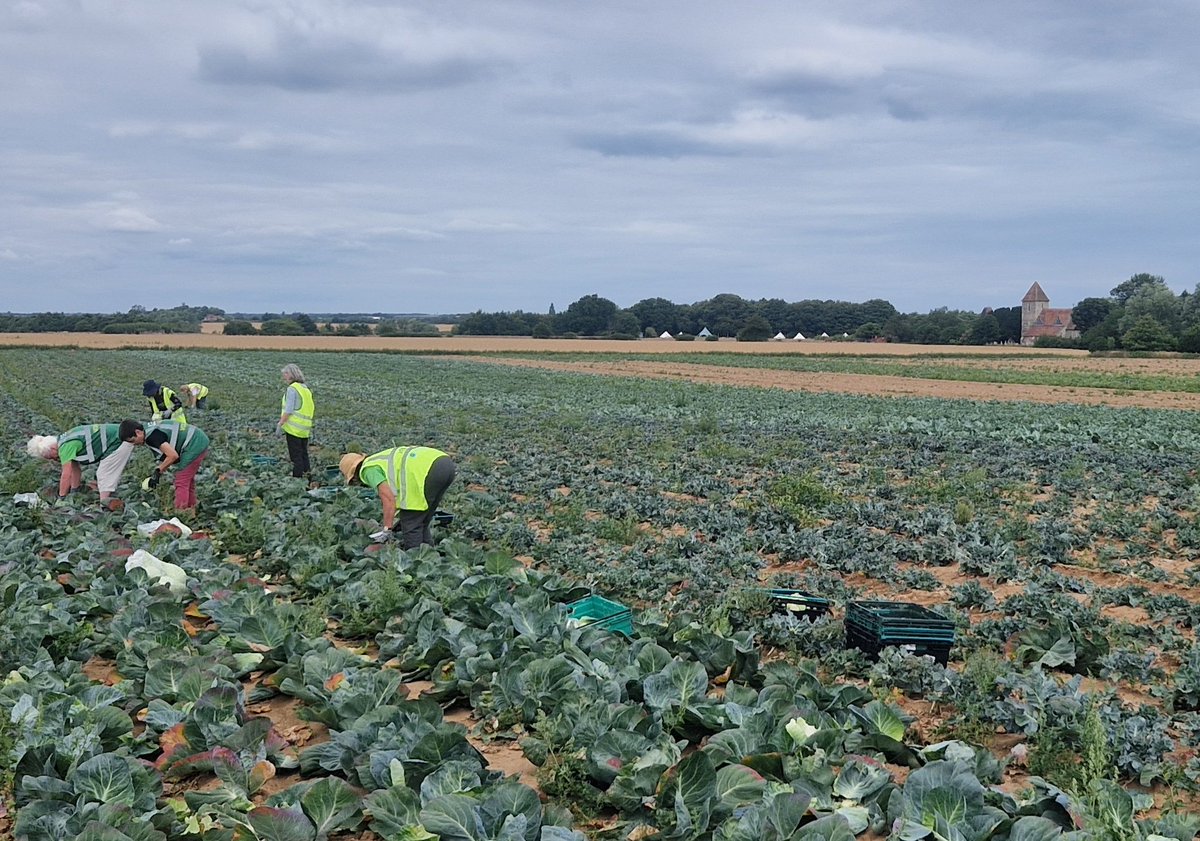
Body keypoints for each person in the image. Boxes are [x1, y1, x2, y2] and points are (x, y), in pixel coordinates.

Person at [339, 446, 457, 549]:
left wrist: (386, 530)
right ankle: (429, 557)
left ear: (354, 476)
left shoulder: (368, 470)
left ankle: (414, 563)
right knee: (422, 520)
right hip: (444, 463)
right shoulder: (378, 460)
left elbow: (389, 499)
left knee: (411, 524)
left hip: (428, 471)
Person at [26, 424, 135, 503]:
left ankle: (104, 505)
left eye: (51, 457)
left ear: (53, 448)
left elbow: (66, 475)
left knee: (104, 474)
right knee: (103, 473)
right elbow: (75, 468)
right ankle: (105, 500)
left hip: (120, 439)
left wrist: (62, 497)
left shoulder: (65, 447)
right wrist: (75, 489)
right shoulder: (63, 440)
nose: (54, 460)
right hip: (118, 436)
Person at [119, 419, 210, 512]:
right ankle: (190, 509)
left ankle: (181, 513)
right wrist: (159, 471)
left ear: (138, 432)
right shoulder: (147, 429)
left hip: (195, 443)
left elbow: (173, 456)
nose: (134, 444)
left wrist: (158, 472)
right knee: (187, 479)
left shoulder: (152, 436)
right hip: (197, 439)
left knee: (181, 480)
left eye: (133, 440)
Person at [277, 364, 314, 480]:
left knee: (296, 458)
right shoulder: (305, 389)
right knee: (304, 455)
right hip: (304, 429)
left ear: (291, 374)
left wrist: (280, 424)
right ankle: (308, 479)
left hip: (294, 429)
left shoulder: (292, 389)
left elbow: (288, 410)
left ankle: (297, 482)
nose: (284, 377)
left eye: (286, 374)